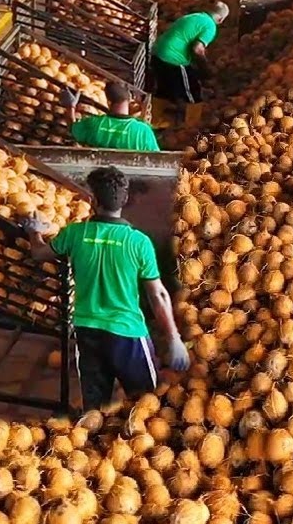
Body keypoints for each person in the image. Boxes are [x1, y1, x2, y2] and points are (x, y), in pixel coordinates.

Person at [24, 166, 189, 411]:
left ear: (93, 200)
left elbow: (38, 253)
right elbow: (158, 294)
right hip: (127, 335)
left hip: (87, 332)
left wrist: (34, 232)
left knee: (95, 408)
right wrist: (173, 337)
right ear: (125, 200)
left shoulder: (75, 234)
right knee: (145, 405)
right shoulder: (138, 242)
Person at [150, 1, 228, 109]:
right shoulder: (210, 26)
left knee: (163, 90)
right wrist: (206, 68)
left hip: (157, 52)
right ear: (220, 19)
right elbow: (197, 49)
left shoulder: (193, 16)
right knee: (192, 91)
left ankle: (156, 120)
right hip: (173, 58)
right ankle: (193, 123)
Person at [61, 81, 160, 152]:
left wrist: (71, 107)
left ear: (108, 102)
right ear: (129, 100)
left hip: (99, 176)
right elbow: (156, 160)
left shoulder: (94, 125)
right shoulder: (143, 131)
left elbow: (73, 129)